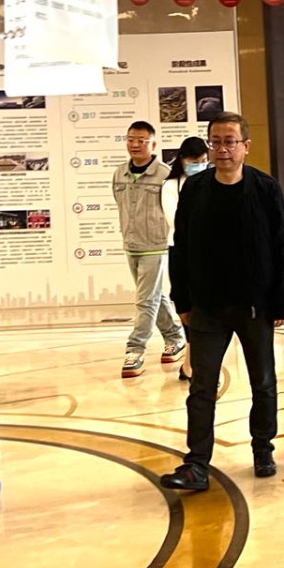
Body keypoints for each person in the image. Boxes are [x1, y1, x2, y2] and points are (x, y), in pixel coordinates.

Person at [163, 113, 284, 491]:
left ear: (245, 146)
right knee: (201, 386)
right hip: (207, 306)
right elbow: (181, 246)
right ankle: (196, 464)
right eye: (216, 142)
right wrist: (181, 299)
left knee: (263, 382)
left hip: (255, 305)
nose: (222, 149)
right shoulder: (195, 189)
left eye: (230, 141)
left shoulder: (265, 188)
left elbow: (282, 244)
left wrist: (282, 301)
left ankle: (263, 448)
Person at [113, 120, 186, 379]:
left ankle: (135, 350)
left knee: (145, 300)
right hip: (131, 244)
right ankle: (175, 338)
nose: (135, 144)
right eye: (131, 139)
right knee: (154, 297)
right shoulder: (119, 173)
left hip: (155, 245)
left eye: (141, 140)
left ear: (153, 144)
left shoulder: (164, 174)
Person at [163, 136, 209, 384]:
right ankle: (191, 362)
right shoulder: (171, 186)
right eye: (193, 161)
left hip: (208, 253)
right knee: (187, 308)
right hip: (181, 252)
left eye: (203, 160)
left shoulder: (212, 180)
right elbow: (175, 220)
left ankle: (192, 363)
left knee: (206, 308)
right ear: (182, 160)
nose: (198, 165)